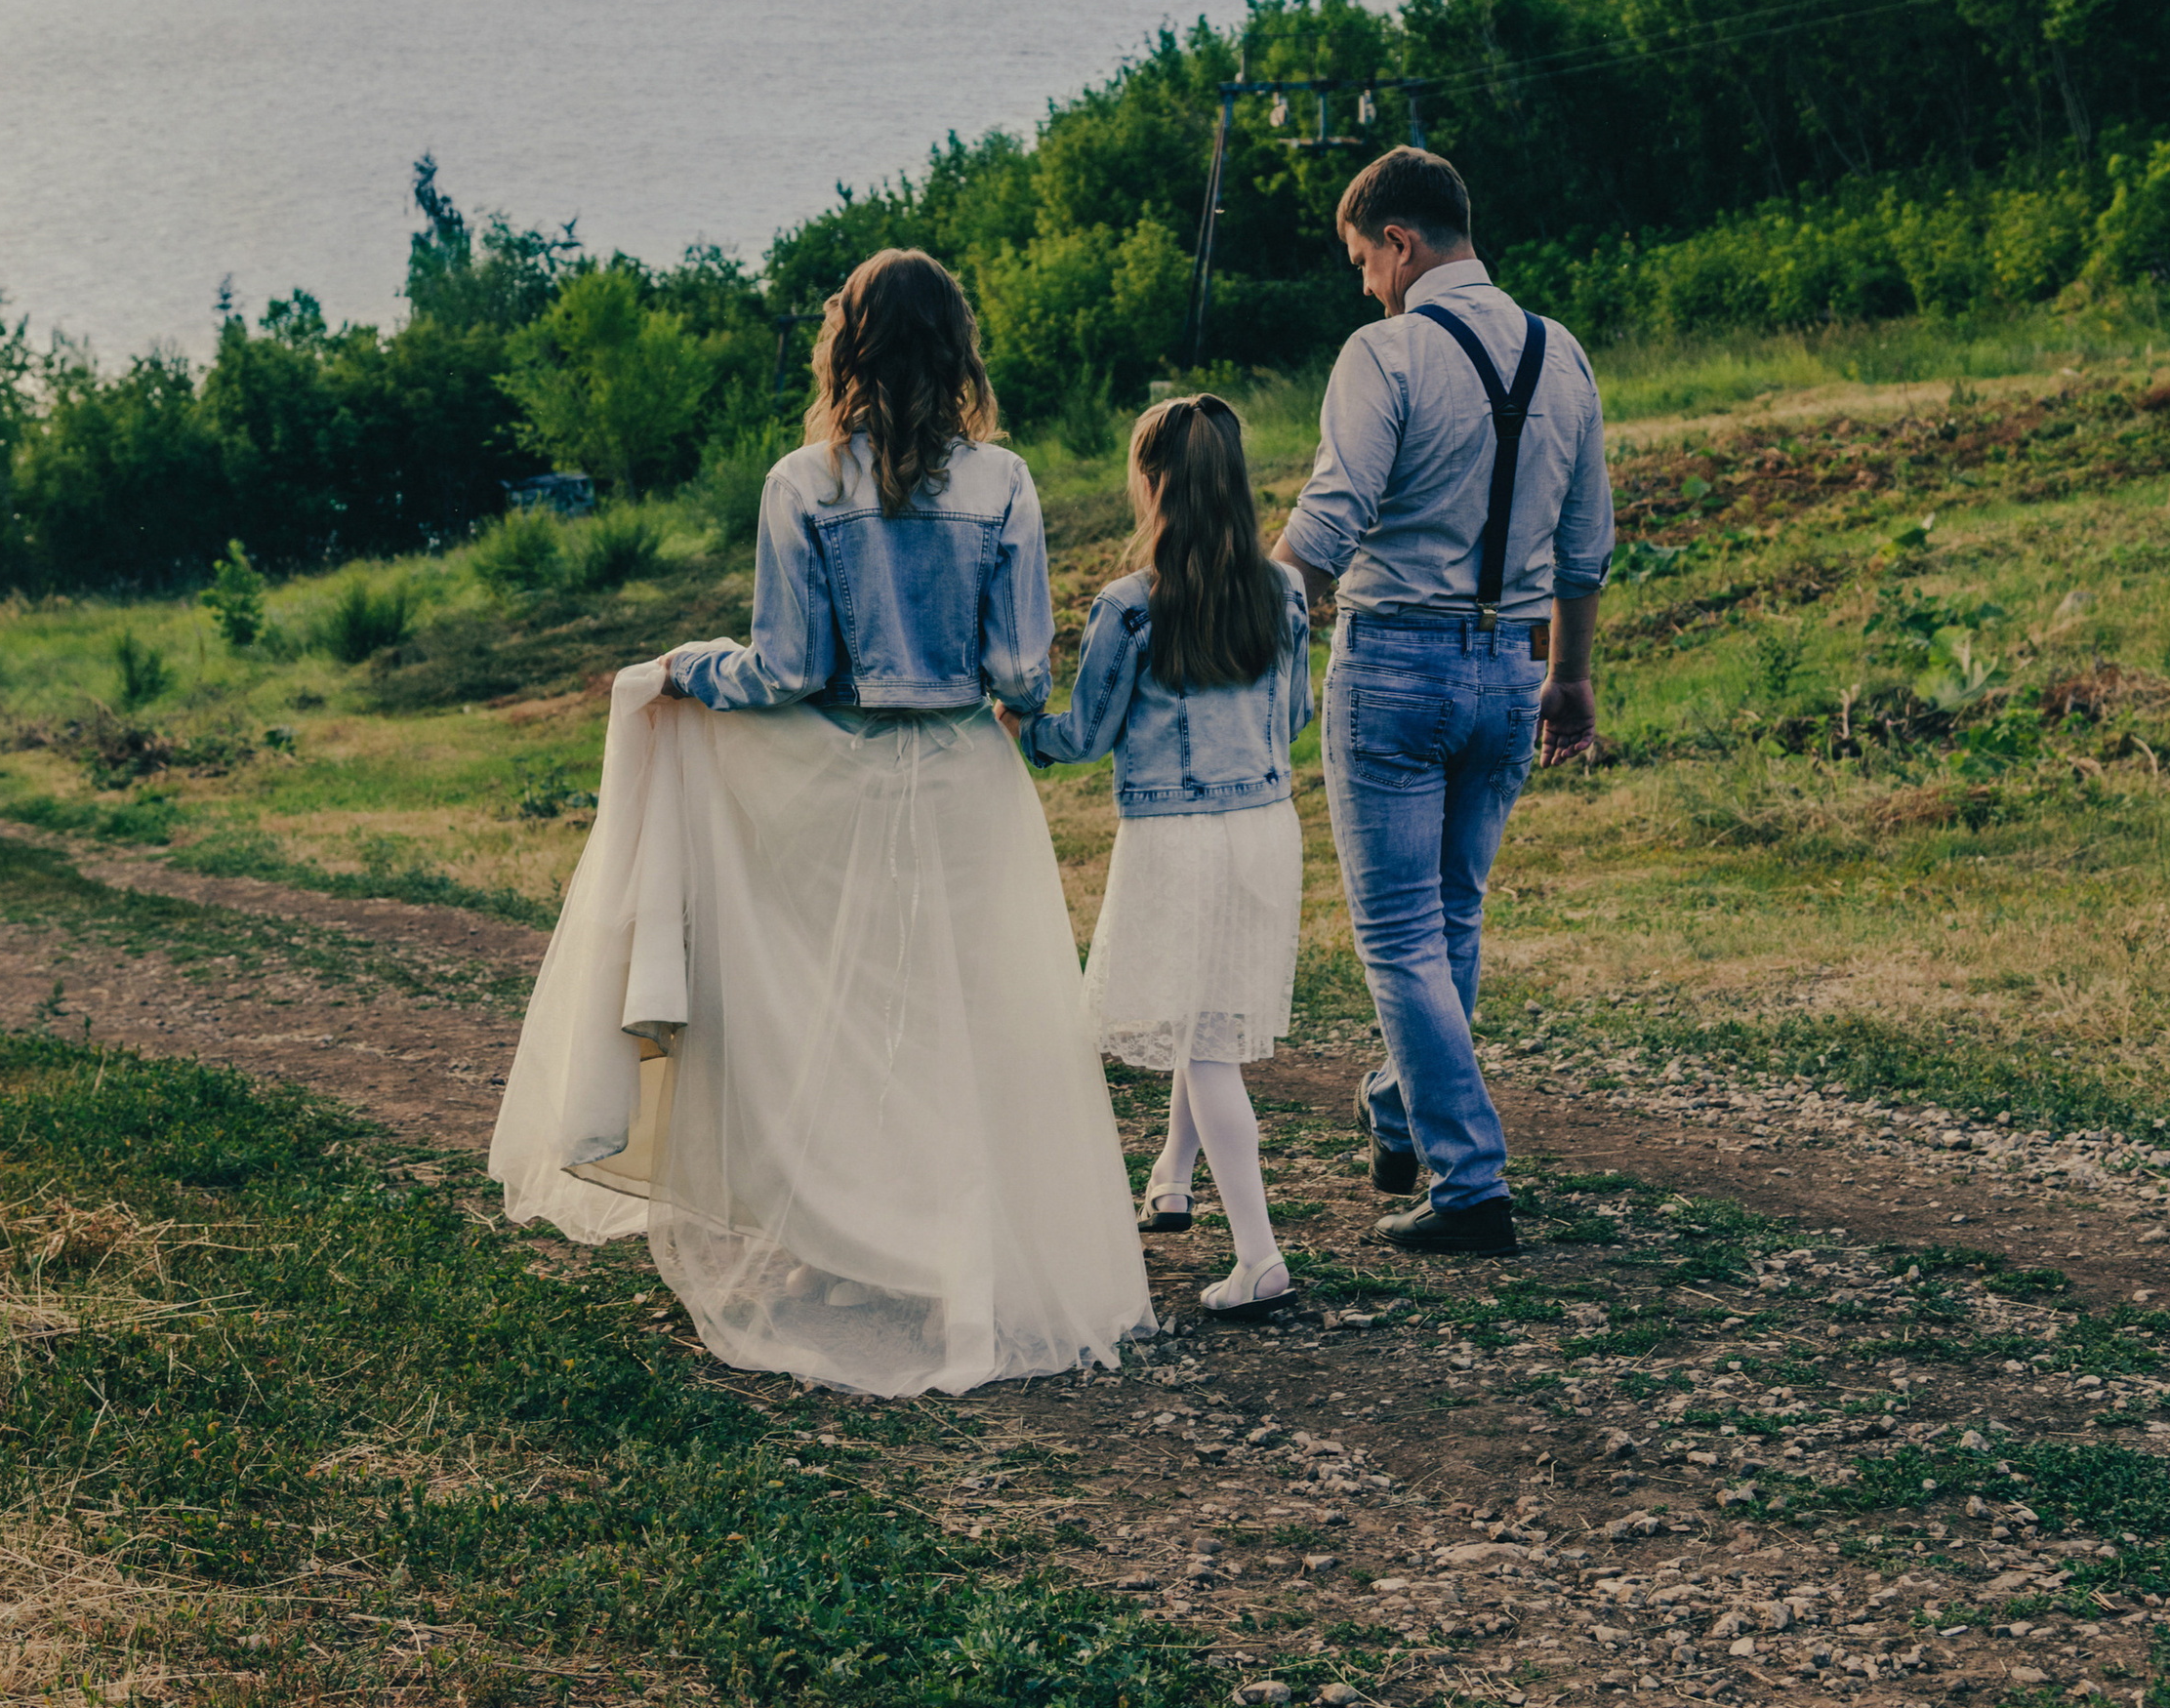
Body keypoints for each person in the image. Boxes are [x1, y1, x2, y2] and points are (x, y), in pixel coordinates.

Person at [488, 248, 1152, 1397]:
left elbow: (787, 668)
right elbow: (1018, 675)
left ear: (845, 345)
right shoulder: (1006, 482)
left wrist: (688, 668)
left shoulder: (803, 480)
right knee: (975, 1019)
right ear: (956, 351)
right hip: (964, 783)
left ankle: (852, 1250)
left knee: (837, 1011)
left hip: (838, 781)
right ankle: (958, 1255)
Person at [1272, 147, 1613, 1256]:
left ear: (1401, 243)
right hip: (1510, 672)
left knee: (1400, 936)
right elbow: (1583, 544)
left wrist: (1248, 614)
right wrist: (1570, 673)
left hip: (1394, 671)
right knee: (1452, 917)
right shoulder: (1561, 356)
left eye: (1363, 259)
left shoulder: (1387, 351)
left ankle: (1468, 1182)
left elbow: (1332, 514)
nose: (1364, 282)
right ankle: (1394, 1105)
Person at [1010, 395, 1312, 1321]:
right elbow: (1294, 717)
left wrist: (1021, 729)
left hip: (1176, 839)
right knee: (1205, 1010)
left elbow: (1088, 731)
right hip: (1265, 827)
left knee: (1205, 1041)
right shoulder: (1286, 590)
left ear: (1153, 484)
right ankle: (1173, 1177)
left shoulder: (1131, 606)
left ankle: (1259, 1256)